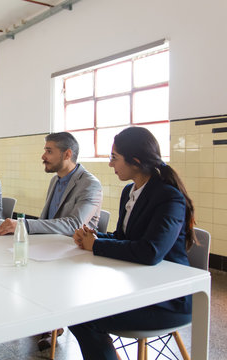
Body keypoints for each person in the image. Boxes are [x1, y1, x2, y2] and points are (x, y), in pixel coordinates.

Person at [69, 127, 196, 360]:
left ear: (135, 161)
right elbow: (123, 236)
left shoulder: (168, 196)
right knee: (75, 306)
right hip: (136, 285)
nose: (110, 164)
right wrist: (91, 237)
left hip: (167, 299)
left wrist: (95, 245)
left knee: (81, 316)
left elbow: (151, 251)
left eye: (114, 158)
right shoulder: (130, 191)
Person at [0, 132, 102, 236]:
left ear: (67, 154)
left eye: (49, 152)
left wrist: (25, 225)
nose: (43, 156)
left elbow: (75, 225)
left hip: (73, 249)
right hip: (48, 244)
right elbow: (45, 220)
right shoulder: (55, 180)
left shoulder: (90, 184)